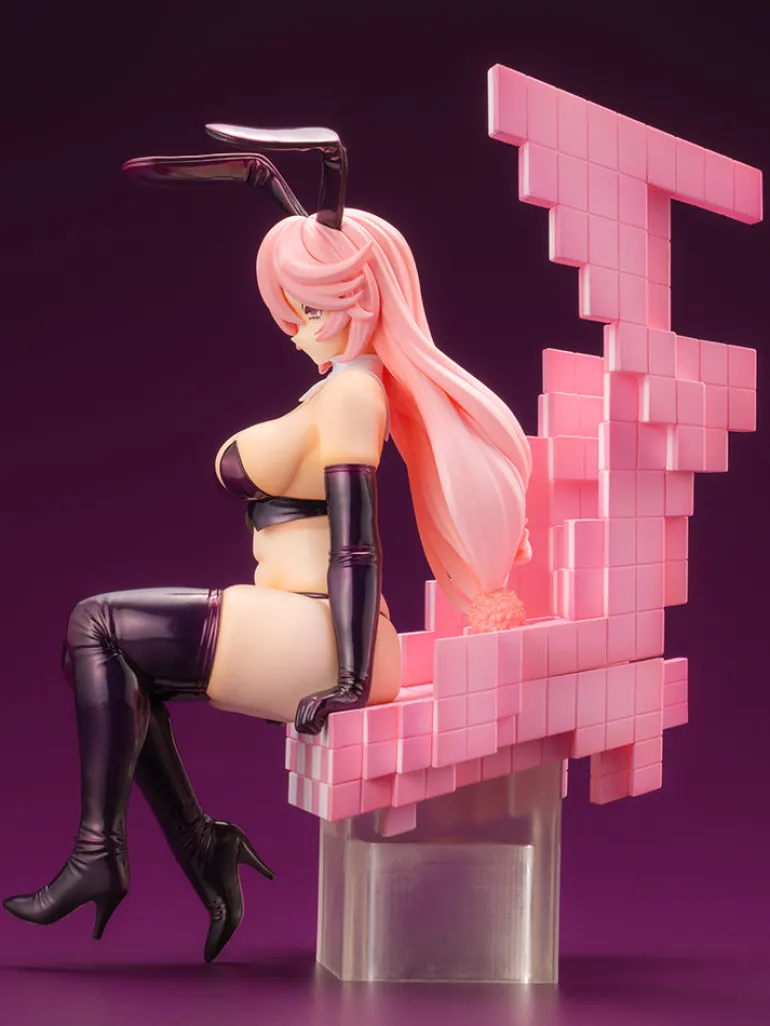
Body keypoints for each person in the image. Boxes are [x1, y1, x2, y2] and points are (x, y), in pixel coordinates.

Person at [2, 131, 532, 963]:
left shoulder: (353, 397)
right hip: (301, 620)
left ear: (361, 303)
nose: (294, 329)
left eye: (311, 309)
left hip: (324, 632)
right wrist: (274, 192)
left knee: (96, 626)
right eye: (292, 309)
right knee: (108, 662)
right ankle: (193, 845)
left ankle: (104, 855)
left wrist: (349, 680)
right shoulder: (337, 389)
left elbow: (356, 547)